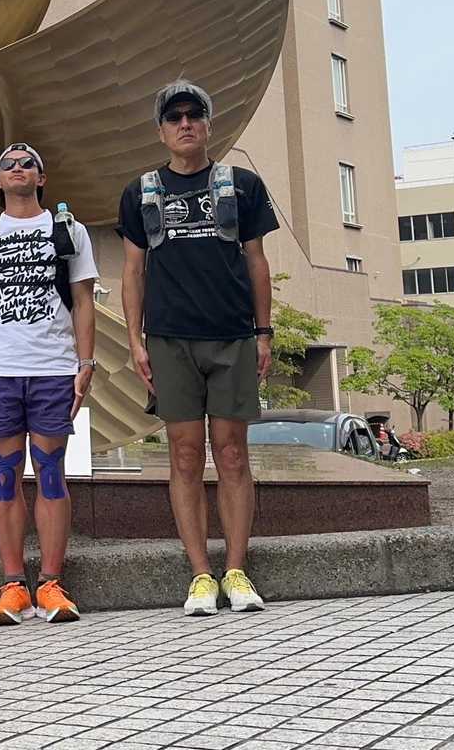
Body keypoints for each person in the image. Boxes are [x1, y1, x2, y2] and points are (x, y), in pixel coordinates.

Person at [117, 81, 278, 616]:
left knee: (232, 453)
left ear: (209, 125)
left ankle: (236, 570)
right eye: (174, 117)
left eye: (194, 115)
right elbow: (133, 272)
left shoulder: (242, 186)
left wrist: (263, 332)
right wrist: (135, 340)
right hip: (169, 339)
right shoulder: (141, 192)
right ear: (161, 130)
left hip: (232, 336)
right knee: (184, 455)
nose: (185, 124)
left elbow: (256, 261)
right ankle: (200, 575)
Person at [0, 143, 98, 626]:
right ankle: (13, 585)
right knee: (5, 473)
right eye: (8, 165)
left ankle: (52, 583)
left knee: (51, 471)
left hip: (54, 367)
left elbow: (83, 299)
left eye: (27, 164)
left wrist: (86, 362)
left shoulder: (68, 230)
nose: (17, 169)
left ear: (41, 177)